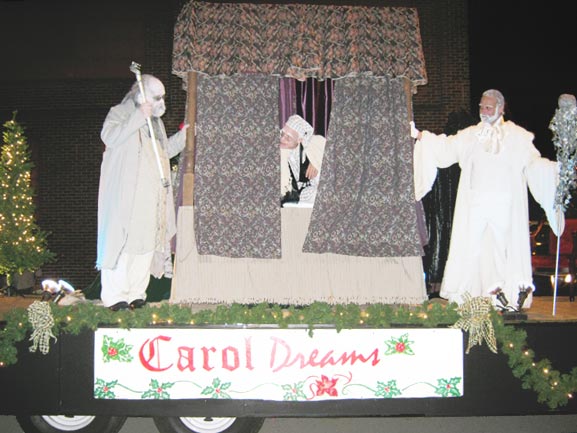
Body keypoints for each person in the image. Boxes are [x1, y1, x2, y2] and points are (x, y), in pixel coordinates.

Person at [411, 89, 563, 310]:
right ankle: (467, 296)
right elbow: (447, 148)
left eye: (488, 107)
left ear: (500, 108)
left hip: (505, 206)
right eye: (481, 107)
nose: (483, 111)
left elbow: (533, 163)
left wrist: (554, 172)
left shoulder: (518, 137)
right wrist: (421, 136)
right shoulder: (471, 135)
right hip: (475, 204)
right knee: (471, 248)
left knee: (502, 251)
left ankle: (506, 297)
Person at [96, 74, 188, 311]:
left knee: (146, 245)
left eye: (162, 97)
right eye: (156, 97)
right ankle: (116, 296)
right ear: (141, 96)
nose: (161, 102)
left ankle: (137, 292)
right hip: (128, 198)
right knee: (124, 245)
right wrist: (139, 116)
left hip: (152, 198)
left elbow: (164, 153)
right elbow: (109, 136)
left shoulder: (155, 124)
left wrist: (184, 137)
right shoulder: (120, 113)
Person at [279, 115, 326, 206]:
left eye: (288, 137)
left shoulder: (311, 150)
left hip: (304, 197)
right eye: (282, 134)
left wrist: (316, 160)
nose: (282, 139)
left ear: (300, 140)